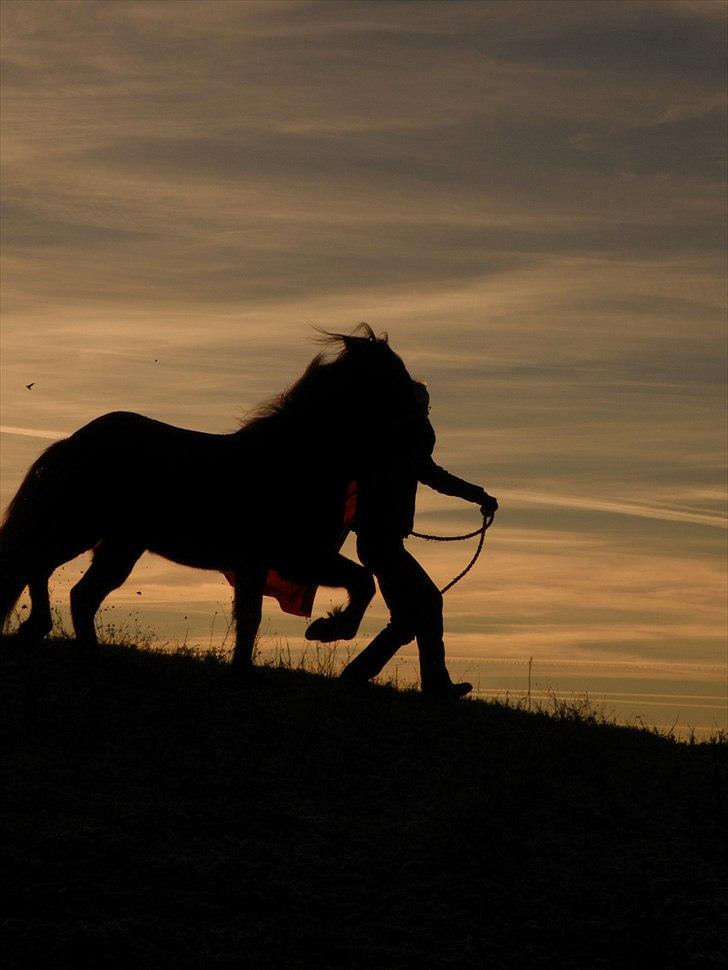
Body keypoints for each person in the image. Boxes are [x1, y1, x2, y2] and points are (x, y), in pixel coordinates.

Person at [340, 382, 497, 698]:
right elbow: (434, 476)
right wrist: (478, 495)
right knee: (428, 602)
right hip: (382, 544)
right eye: (423, 406)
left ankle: (354, 678)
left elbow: (429, 473)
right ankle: (434, 685)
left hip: (378, 543)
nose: (425, 412)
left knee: (405, 621)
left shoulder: (385, 444)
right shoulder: (403, 444)